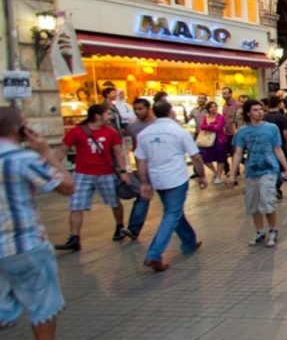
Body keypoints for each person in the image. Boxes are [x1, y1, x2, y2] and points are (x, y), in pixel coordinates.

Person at [0, 107, 76, 340]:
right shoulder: (24, 159)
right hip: (25, 243)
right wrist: (44, 151)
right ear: (19, 129)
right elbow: (66, 186)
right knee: (42, 301)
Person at [134, 100, 208, 272]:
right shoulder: (178, 132)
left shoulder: (145, 134)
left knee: (174, 211)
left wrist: (144, 182)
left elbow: (141, 160)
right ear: (171, 112)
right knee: (172, 213)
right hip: (176, 178)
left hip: (158, 179)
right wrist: (202, 175)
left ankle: (189, 240)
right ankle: (154, 254)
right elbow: (195, 156)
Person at [54, 104, 132, 251]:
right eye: (108, 114)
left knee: (114, 202)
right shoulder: (77, 131)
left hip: (105, 173)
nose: (111, 117)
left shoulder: (111, 132)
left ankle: (120, 226)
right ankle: (74, 238)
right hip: (82, 174)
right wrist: (52, 167)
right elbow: (63, 149)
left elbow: (118, 152)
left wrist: (123, 172)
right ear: (97, 116)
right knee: (76, 205)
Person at [227, 100, 287, 247]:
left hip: (269, 169)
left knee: (268, 200)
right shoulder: (242, 132)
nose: (260, 112)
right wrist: (232, 174)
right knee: (253, 203)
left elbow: (277, 149)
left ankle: (273, 229)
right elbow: (237, 153)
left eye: (261, 109)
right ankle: (259, 231)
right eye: (255, 110)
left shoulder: (272, 128)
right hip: (251, 170)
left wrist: (285, 167)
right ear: (248, 113)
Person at [119, 98, 153, 240]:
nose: (138, 112)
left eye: (141, 109)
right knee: (143, 195)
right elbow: (127, 147)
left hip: (162, 165)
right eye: (136, 109)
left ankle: (180, 228)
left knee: (171, 200)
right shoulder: (132, 127)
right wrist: (127, 167)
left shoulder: (158, 124)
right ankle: (133, 229)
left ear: (148, 108)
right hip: (142, 165)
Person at [264, 96, 287, 200]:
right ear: (279, 104)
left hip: (267, 146)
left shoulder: (265, 117)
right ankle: (276, 187)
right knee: (280, 168)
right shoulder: (281, 117)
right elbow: (286, 133)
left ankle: (273, 187)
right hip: (280, 145)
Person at [198, 100, 229, 184]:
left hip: (219, 140)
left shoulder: (220, 117)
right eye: (211, 107)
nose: (213, 108)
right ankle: (215, 172)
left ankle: (219, 176)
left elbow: (218, 128)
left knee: (220, 159)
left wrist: (208, 126)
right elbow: (202, 126)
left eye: (215, 106)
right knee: (205, 158)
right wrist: (212, 125)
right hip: (207, 140)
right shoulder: (205, 116)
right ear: (208, 108)